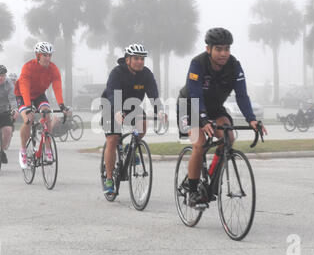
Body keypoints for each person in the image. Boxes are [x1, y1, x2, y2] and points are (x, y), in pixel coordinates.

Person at [177, 28, 267, 207]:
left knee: (229, 138)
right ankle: (193, 190)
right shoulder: (198, 64)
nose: (224, 53)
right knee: (200, 144)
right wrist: (202, 119)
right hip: (190, 107)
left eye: (227, 49)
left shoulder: (234, 66)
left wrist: (252, 119)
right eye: (219, 49)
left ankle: (211, 178)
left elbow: (242, 95)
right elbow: (195, 94)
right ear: (208, 49)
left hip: (215, 109)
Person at [101, 44, 166, 194]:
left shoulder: (146, 74)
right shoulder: (117, 73)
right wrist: (117, 111)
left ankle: (131, 148)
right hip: (111, 105)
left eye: (142, 59)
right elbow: (112, 93)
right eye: (136, 58)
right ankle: (109, 179)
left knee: (143, 123)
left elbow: (153, 95)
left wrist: (160, 111)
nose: (140, 62)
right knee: (113, 138)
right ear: (127, 59)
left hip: (132, 107)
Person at [15, 42, 71, 169]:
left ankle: (47, 147)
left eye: (49, 55)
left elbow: (57, 88)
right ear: (38, 55)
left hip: (39, 95)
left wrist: (62, 105)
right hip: (23, 95)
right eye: (44, 55)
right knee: (28, 120)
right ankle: (23, 150)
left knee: (47, 114)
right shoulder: (28, 67)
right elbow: (24, 87)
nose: (47, 58)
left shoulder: (53, 69)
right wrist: (28, 107)